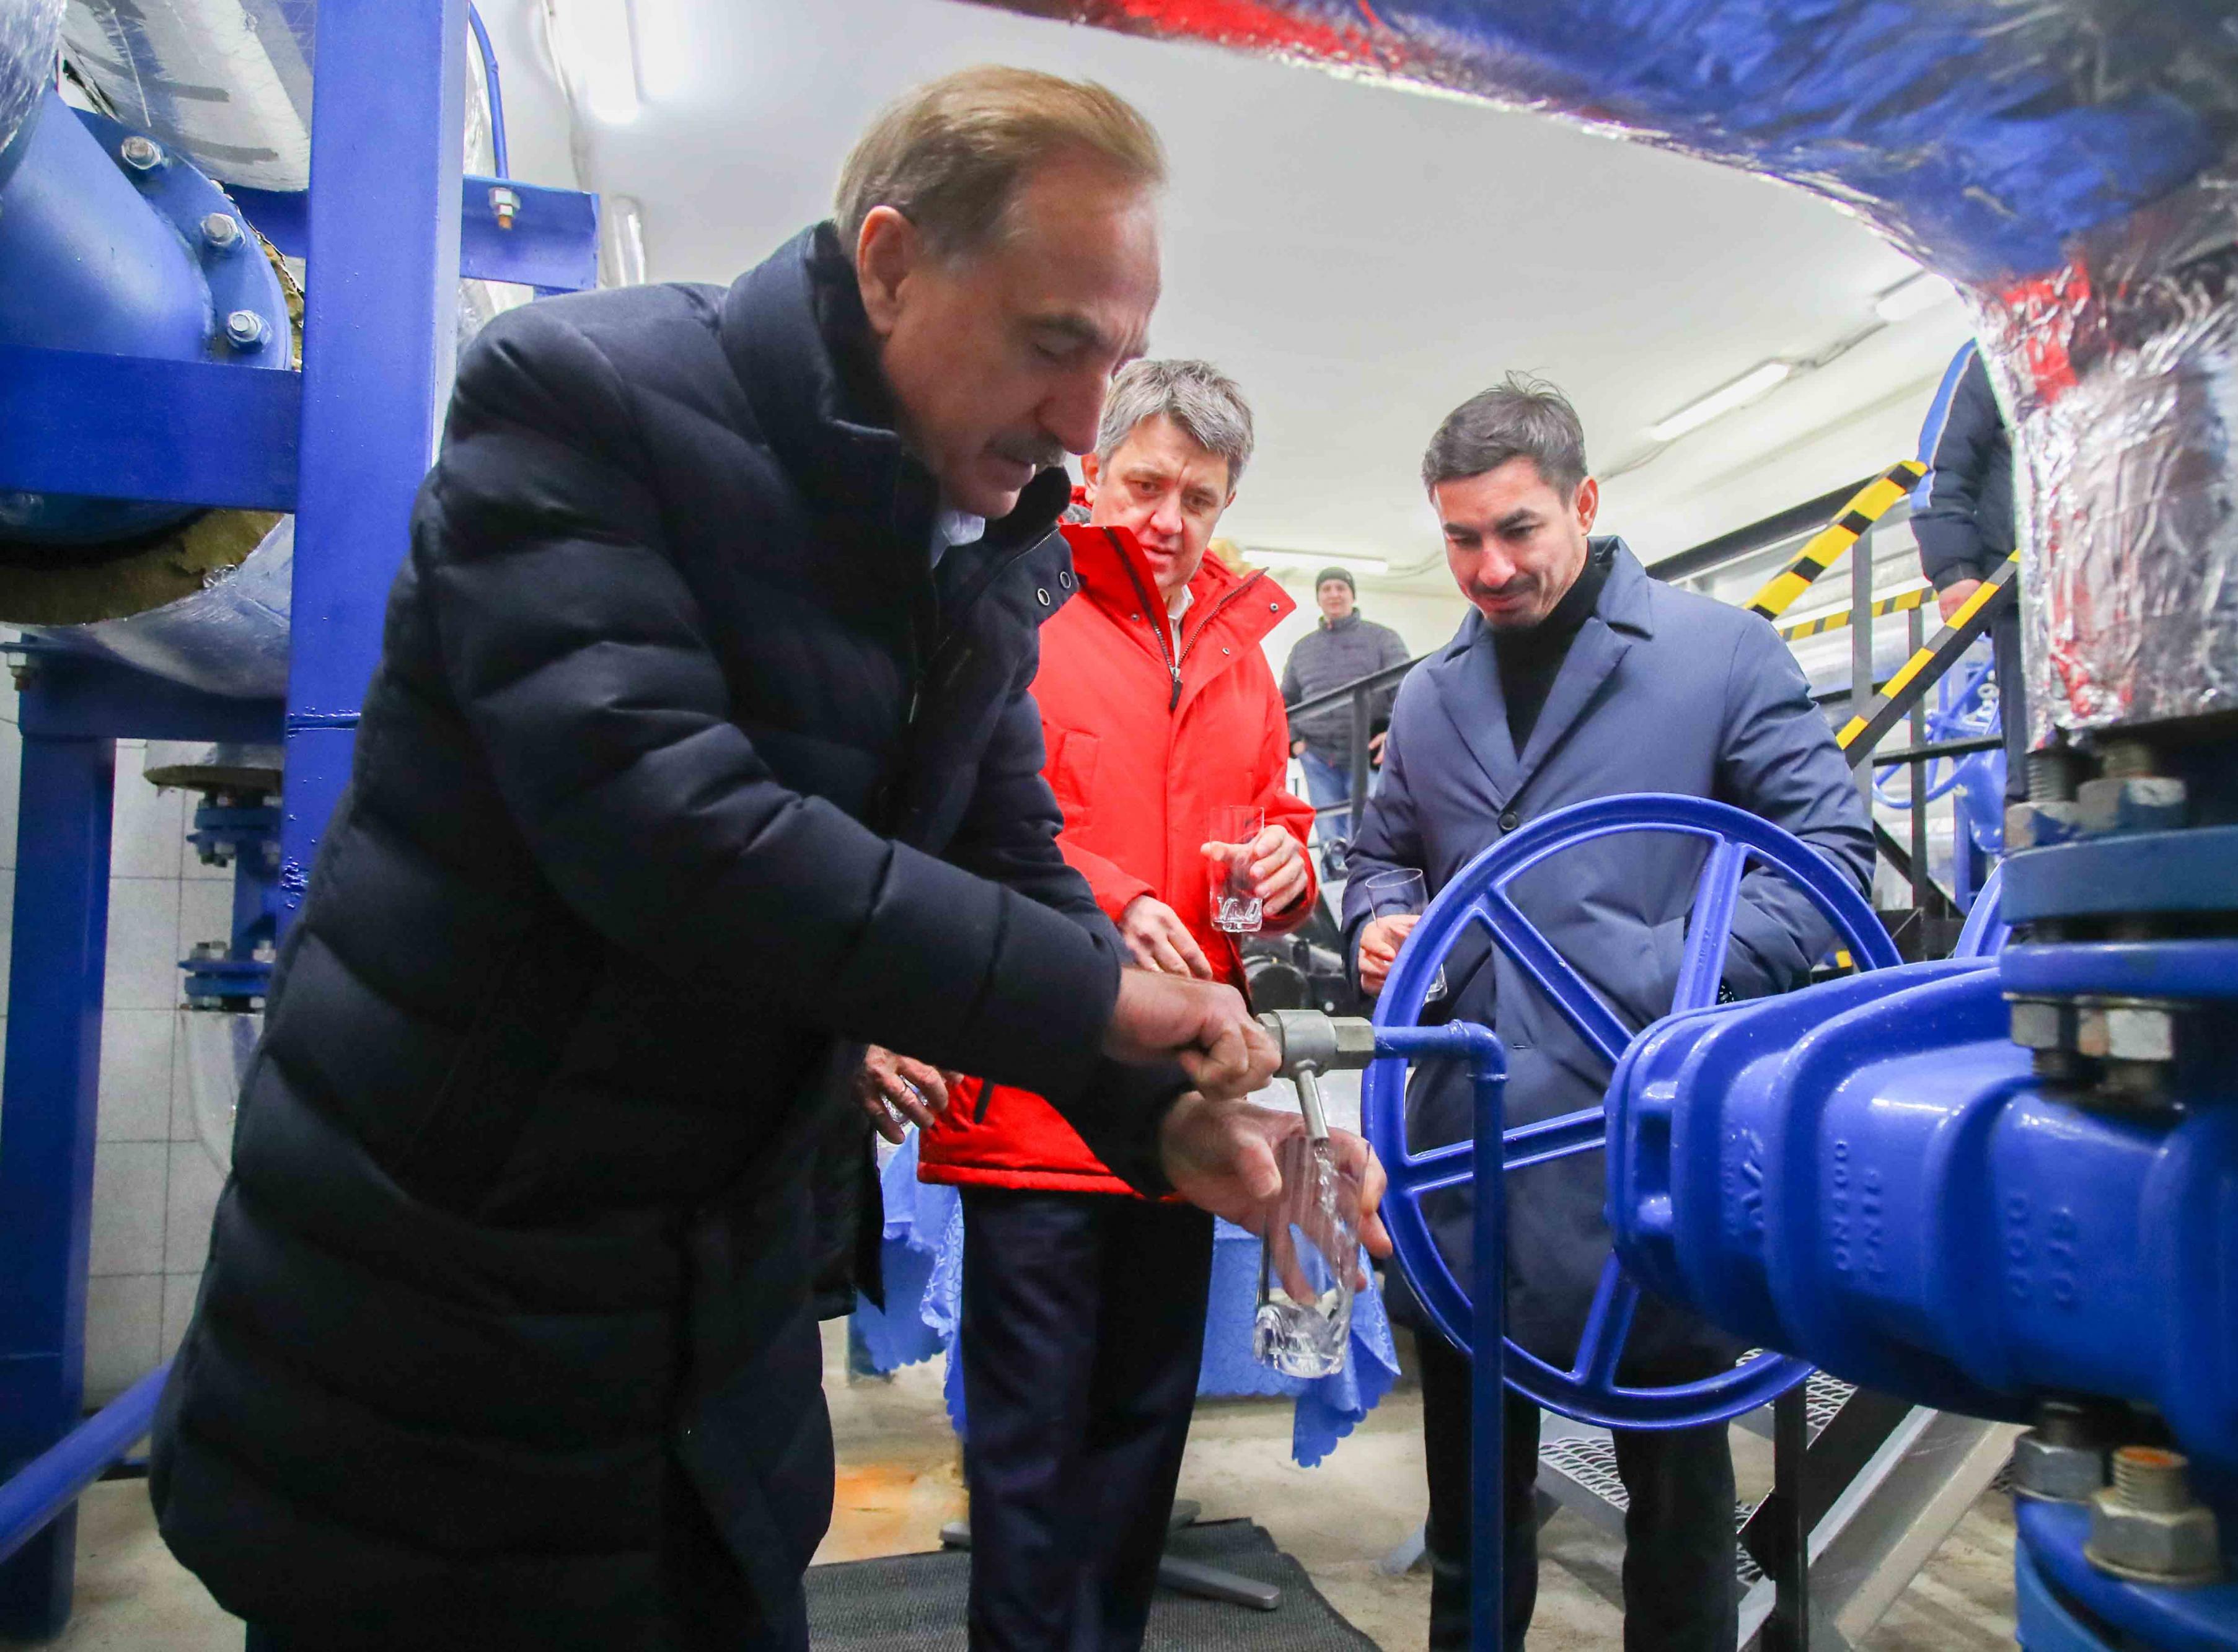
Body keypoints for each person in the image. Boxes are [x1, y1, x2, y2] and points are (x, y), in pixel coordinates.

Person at [148, 67, 1388, 1652]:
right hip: (442, 1311)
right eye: (1052, 342)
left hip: (709, 1307)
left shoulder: (977, 549)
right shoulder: (581, 398)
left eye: (1114, 359)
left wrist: (1165, 1116)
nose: (1085, 424)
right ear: (890, 263)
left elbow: (1009, 859)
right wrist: (1113, 1001)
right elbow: (673, 829)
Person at [1345, 376, 1872, 1652]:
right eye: (1460, 538)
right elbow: (1383, 855)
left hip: (1655, 1154)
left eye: (1516, 528)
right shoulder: (1428, 697)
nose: (1488, 567)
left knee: (1679, 1514)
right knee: (1473, 1521)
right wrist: (1375, 920)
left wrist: (1671, 973)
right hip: (1469, 1157)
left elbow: (1830, 853)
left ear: (1584, 501)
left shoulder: (1717, 654)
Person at [913, 358, 1317, 1651]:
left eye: (1198, 498)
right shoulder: (1021, 608)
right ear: (1094, 470)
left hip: (1186, 1110)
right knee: (1029, 1454)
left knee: (1144, 1432)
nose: (1166, 518)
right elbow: (963, 819)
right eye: (1145, 484)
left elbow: (1276, 819)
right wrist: (1113, 894)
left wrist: (1288, 864)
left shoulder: (1247, 660)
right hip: (1033, 1107)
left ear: (1228, 501)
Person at [1913, 341, 2028, 800]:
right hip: (2025, 595)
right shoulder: (1995, 350)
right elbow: (1943, 468)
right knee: (2040, 758)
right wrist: (1955, 568)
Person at [1282, 565, 1409, 855]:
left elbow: (1406, 690)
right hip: (1317, 757)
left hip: (1368, 754)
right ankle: (1336, 884)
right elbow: (1286, 699)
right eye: (1326, 589)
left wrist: (1393, 733)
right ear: (1318, 598)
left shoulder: (1383, 639)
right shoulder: (1303, 649)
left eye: (1341, 588)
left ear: (1352, 595)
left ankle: (1370, 885)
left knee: (1369, 836)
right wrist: (1294, 742)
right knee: (1331, 841)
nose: (1334, 594)